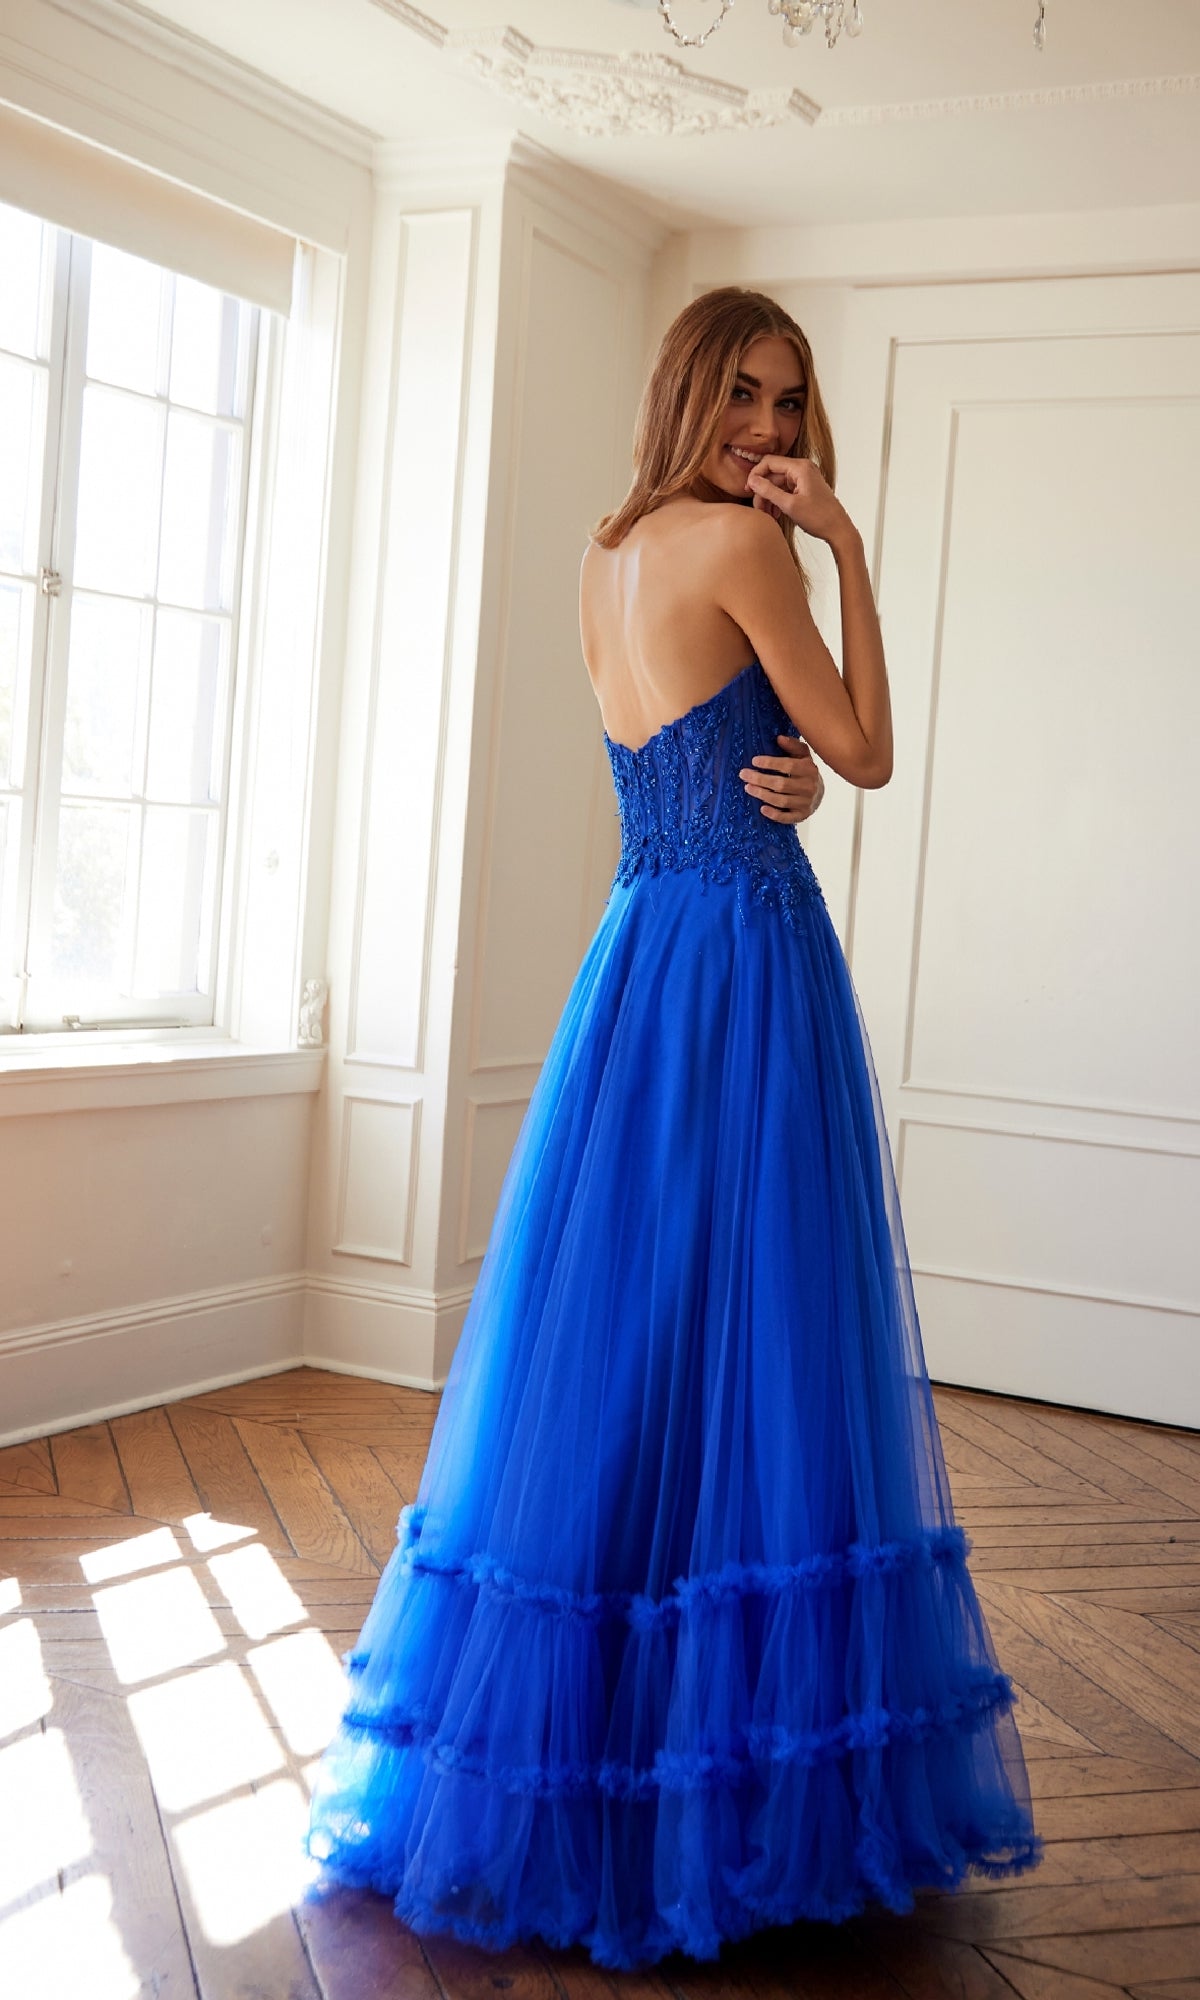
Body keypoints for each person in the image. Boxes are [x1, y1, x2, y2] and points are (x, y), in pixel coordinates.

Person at [304, 285, 1043, 1972]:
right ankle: (735, 1788)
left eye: (791, 406)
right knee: (766, 1340)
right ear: (690, 391)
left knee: (632, 1334)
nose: (772, 433)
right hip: (748, 960)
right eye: (745, 397)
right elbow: (861, 752)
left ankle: (580, 1755)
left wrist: (758, 760)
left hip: (637, 960)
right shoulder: (752, 548)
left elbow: (690, 750)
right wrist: (847, 549)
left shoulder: (605, 553)